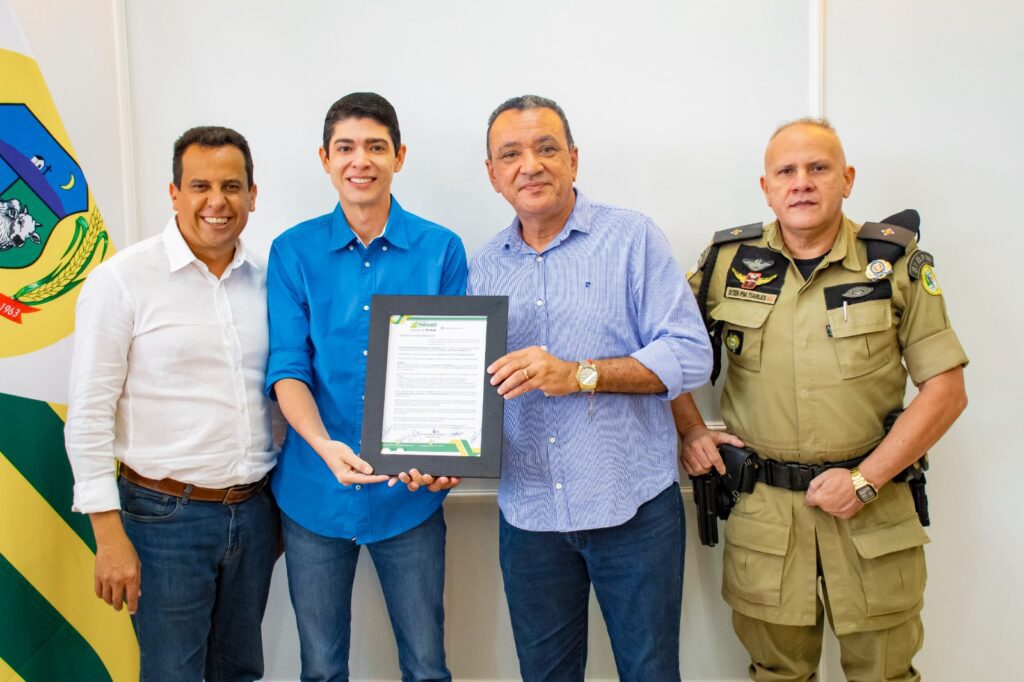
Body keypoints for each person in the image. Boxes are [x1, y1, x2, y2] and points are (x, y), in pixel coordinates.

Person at [674, 118, 968, 681]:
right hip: (766, 519)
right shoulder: (727, 263)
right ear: (766, 187)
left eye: (818, 168)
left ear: (847, 179)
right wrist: (690, 427)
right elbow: (661, 348)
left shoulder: (894, 264)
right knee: (776, 674)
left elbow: (946, 390)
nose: (802, 182)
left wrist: (865, 481)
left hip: (873, 510)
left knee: (886, 675)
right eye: (786, 171)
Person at [468, 94, 712, 682]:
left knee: (651, 674)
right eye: (511, 154)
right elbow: (468, 388)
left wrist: (579, 374)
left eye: (546, 148)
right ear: (493, 174)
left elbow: (689, 353)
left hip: (633, 510)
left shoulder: (633, 239)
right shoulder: (481, 267)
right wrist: (433, 450)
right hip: (530, 519)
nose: (531, 165)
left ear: (573, 159)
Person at [65, 126, 279, 681]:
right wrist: (108, 536)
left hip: (255, 514)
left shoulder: (269, 282)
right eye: (200, 186)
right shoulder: (121, 281)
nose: (217, 202)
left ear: (253, 195)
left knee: (240, 671)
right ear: (174, 193)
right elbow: (88, 414)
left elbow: (282, 394)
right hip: (164, 520)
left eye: (232, 186)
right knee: (172, 674)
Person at [266, 92, 467, 682]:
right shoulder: (292, 251)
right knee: (321, 669)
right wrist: (323, 446)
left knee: (427, 666)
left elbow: (453, 371)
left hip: (409, 495)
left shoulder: (441, 249)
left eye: (376, 147)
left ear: (399, 157)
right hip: (314, 491)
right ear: (325, 159)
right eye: (346, 147)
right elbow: (288, 367)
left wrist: (444, 457)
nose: (361, 161)